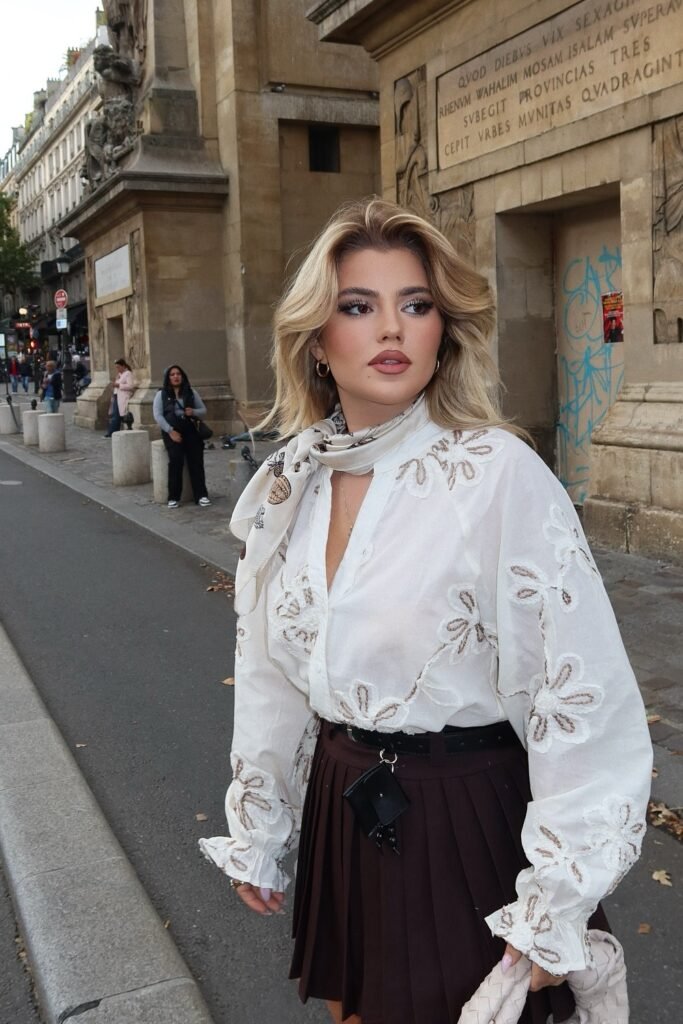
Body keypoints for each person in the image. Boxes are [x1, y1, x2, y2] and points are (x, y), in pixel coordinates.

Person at [199, 199, 652, 1024]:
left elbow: (579, 694)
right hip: (348, 806)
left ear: (443, 330)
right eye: (357, 306)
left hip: (466, 817)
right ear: (315, 339)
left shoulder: (495, 473)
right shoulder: (289, 484)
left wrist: (555, 903)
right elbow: (267, 670)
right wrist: (259, 824)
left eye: (414, 305)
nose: (391, 330)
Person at [152, 365, 212, 508]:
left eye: (178, 374)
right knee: (175, 461)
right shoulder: (161, 395)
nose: (175, 376)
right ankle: (173, 497)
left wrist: (194, 412)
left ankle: (201, 495)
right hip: (172, 430)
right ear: (168, 378)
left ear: (182, 376)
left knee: (196, 462)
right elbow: (158, 416)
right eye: (172, 374)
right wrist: (170, 431)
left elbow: (203, 410)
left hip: (190, 429)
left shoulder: (191, 392)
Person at [104, 357, 136, 436]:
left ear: (123, 366)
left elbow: (131, 386)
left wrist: (119, 385)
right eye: (116, 367)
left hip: (122, 397)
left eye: (118, 367)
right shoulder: (119, 375)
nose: (117, 369)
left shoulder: (128, 373)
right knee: (115, 415)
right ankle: (114, 432)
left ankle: (112, 432)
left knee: (116, 415)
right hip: (116, 396)